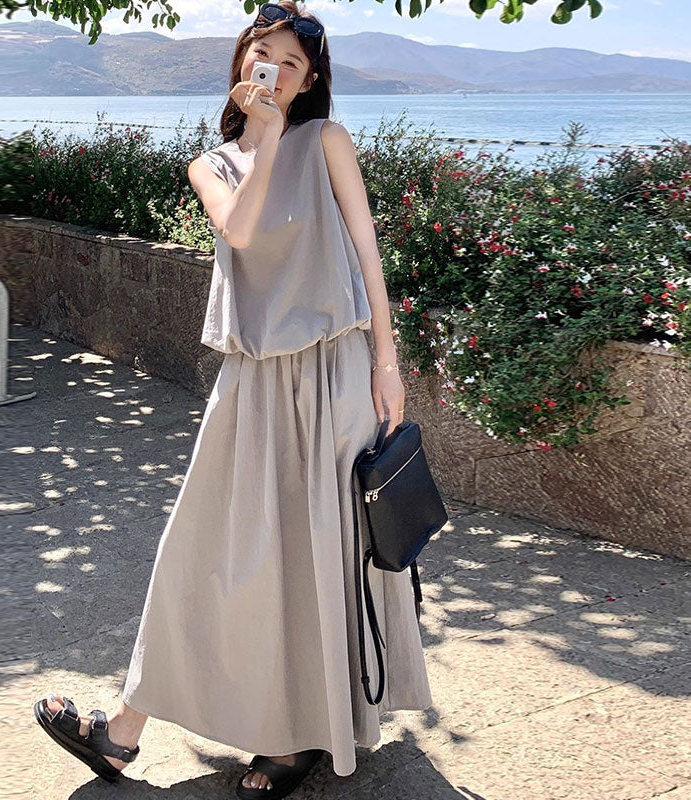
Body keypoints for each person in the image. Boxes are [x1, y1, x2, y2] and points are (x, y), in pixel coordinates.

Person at [33, 2, 433, 797]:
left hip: (337, 367)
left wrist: (388, 364)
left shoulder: (327, 140)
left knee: (325, 547)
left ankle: (299, 736)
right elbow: (242, 233)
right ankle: (125, 731)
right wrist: (263, 135)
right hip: (251, 379)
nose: (273, 70)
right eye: (261, 55)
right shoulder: (211, 165)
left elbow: (367, 253)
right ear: (241, 65)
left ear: (310, 79)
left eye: (290, 62)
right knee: (205, 547)